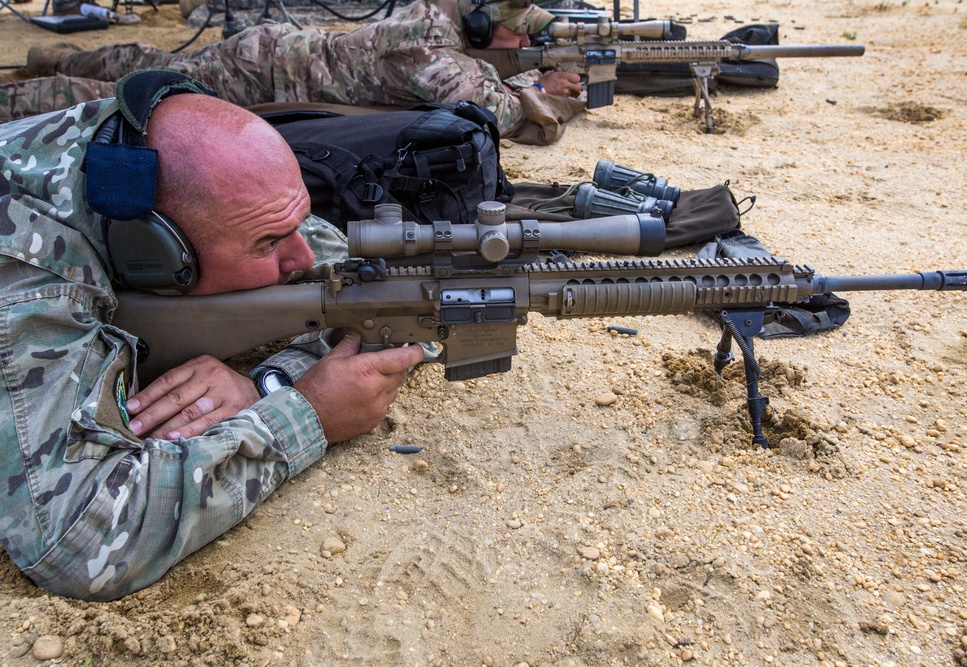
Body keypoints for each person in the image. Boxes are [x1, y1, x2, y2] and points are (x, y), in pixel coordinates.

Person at [0, 70, 426, 601]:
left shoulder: (184, 181)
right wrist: (304, 414)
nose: (305, 257)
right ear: (158, 252)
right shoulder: (25, 277)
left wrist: (265, 383)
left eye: (298, 222)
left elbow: (379, 297)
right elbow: (79, 541)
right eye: (268, 243)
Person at [0, 0, 585, 143]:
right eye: (518, 28)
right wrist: (539, 90)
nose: (523, 39)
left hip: (275, 54)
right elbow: (492, 111)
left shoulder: (436, 20)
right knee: (127, 96)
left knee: (159, 65)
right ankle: (21, 101)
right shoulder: (430, 46)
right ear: (483, 22)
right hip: (265, 76)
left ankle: (52, 57)